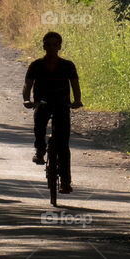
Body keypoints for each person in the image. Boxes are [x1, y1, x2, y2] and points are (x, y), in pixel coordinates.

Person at [22, 31, 83, 193]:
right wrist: (27, 100)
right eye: (47, 45)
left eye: (54, 45)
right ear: (43, 46)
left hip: (62, 104)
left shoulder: (68, 65)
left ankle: (65, 181)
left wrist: (77, 101)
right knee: (39, 123)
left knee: (63, 145)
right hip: (42, 102)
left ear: (59, 46)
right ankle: (40, 150)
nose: (51, 48)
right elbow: (27, 85)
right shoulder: (36, 65)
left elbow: (75, 85)